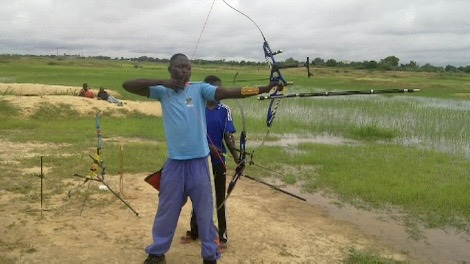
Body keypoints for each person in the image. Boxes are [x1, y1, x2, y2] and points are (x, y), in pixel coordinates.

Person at [122, 53, 280, 264]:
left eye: (188, 67)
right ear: (170, 69)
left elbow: (226, 92)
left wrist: (263, 88)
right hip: (174, 164)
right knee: (166, 210)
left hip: (199, 163)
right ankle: (157, 252)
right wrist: (163, 83)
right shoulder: (163, 92)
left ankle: (209, 255)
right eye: (180, 67)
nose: (185, 71)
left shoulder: (199, 89)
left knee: (205, 213)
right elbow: (127, 85)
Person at [180, 75, 239, 252]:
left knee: (219, 198)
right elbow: (187, 128)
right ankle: (194, 231)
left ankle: (222, 236)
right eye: (216, 90)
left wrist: (237, 158)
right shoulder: (194, 105)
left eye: (221, 90)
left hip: (218, 161)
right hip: (198, 160)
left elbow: (228, 136)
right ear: (207, 90)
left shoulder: (224, 110)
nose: (219, 93)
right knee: (198, 196)